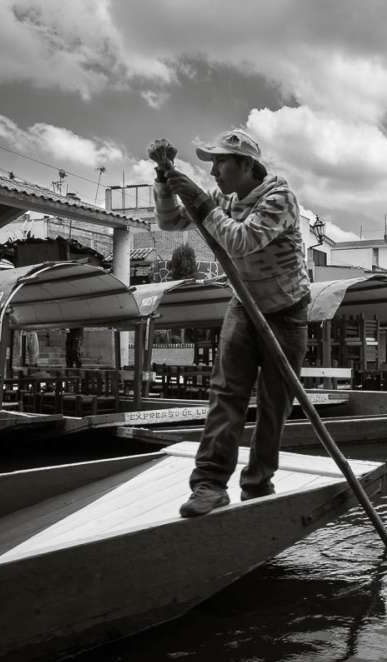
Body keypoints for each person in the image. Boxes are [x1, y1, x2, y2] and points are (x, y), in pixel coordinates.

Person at [154, 128, 310, 518]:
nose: (215, 171)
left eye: (221, 162)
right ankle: (209, 485)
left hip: (287, 310)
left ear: (246, 165)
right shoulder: (223, 198)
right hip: (244, 302)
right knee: (226, 393)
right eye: (212, 163)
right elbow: (171, 222)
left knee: (274, 403)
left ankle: (258, 482)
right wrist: (165, 180)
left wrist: (202, 201)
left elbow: (241, 240)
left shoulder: (280, 198)